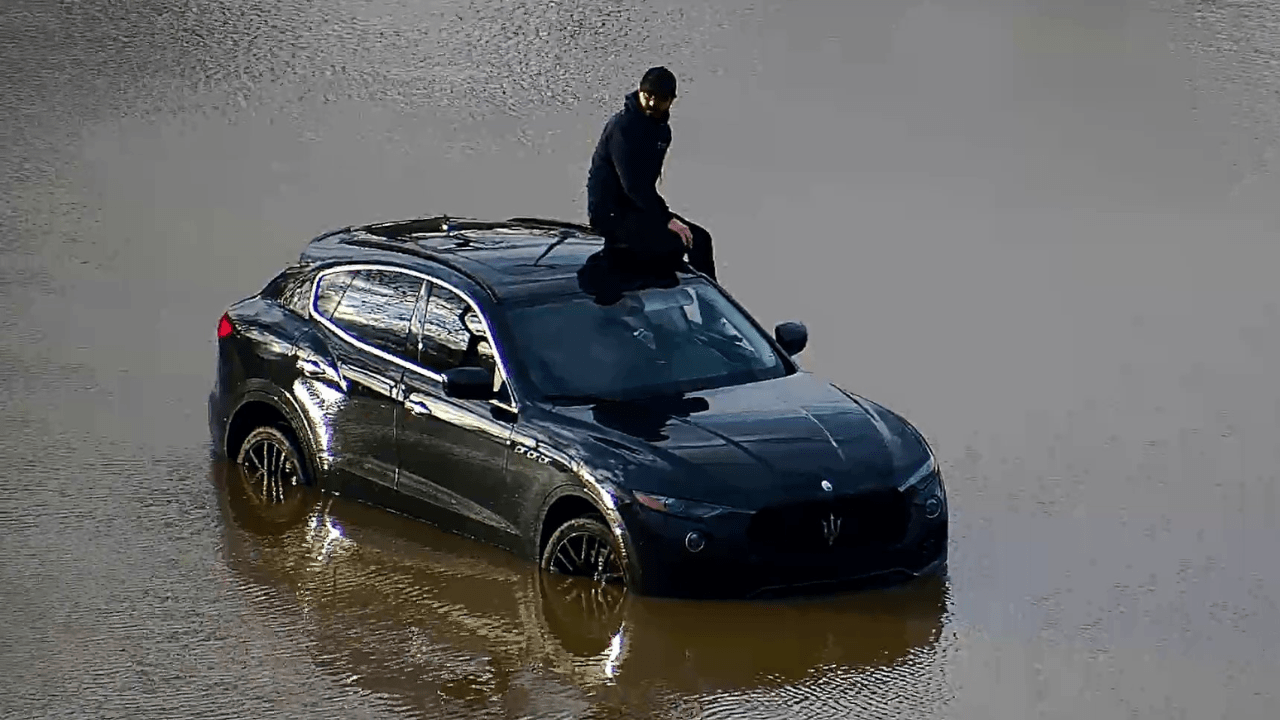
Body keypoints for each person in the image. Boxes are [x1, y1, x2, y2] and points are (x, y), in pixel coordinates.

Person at [586, 66, 717, 281]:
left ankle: (712, 307)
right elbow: (634, 186)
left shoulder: (662, 131)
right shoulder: (624, 127)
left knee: (700, 240)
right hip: (610, 214)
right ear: (640, 92)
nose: (654, 103)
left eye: (662, 98)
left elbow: (645, 186)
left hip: (637, 209)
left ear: (672, 100)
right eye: (649, 96)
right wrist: (666, 218)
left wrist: (662, 217)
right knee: (676, 244)